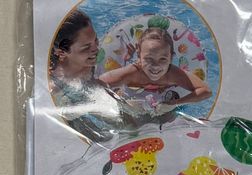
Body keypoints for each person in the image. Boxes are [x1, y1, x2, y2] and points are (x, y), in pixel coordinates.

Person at [49, 10, 138, 142]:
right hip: (71, 104)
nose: (96, 49)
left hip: (88, 91)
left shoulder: (89, 64)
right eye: (86, 47)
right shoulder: (54, 88)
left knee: (131, 124)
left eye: (95, 40)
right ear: (61, 53)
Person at [99, 28, 212, 108]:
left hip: (163, 100)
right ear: (139, 55)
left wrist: (174, 103)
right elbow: (98, 84)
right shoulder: (132, 73)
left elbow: (205, 91)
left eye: (163, 59)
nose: (156, 66)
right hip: (132, 97)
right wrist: (119, 102)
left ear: (171, 57)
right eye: (149, 58)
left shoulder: (172, 74)